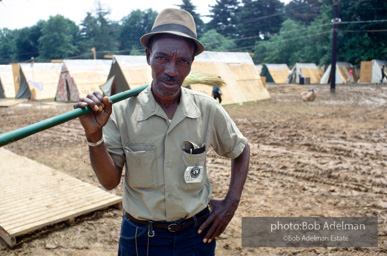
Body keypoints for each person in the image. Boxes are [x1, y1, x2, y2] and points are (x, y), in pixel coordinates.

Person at [74, 8, 250, 256]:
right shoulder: (121, 111)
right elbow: (109, 181)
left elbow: (241, 150)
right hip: (141, 238)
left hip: (196, 236)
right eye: (162, 58)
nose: (171, 70)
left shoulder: (207, 109)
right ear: (148, 56)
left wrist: (231, 202)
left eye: (182, 61)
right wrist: (94, 137)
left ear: (191, 63)